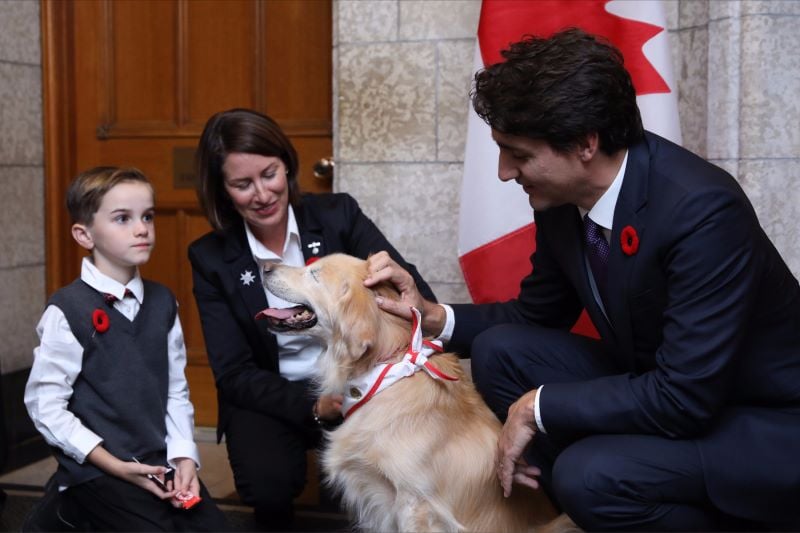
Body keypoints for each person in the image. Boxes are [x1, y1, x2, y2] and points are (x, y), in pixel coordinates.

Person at [365, 28, 800, 531]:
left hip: (763, 421)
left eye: (519, 154)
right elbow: (535, 316)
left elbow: (685, 397)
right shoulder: (564, 201)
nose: (506, 172)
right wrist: (434, 316)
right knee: (501, 352)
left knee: (589, 475)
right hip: (669, 388)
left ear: (584, 144)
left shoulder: (701, 210)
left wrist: (536, 408)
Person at [188, 108, 435, 530]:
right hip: (272, 395)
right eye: (242, 184)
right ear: (223, 191)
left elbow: (412, 297)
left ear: (286, 163)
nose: (262, 194)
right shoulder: (210, 257)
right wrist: (315, 406)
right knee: (268, 484)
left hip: (362, 380)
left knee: (391, 484)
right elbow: (234, 373)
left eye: (269, 174)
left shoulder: (339, 214)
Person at [25, 167, 228, 531]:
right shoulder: (68, 309)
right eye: (123, 218)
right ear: (84, 234)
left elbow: (175, 391)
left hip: (153, 459)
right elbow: (45, 405)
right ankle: (64, 505)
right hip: (97, 468)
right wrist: (113, 464)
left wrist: (184, 457)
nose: (142, 228)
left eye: (147, 216)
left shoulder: (164, 302)